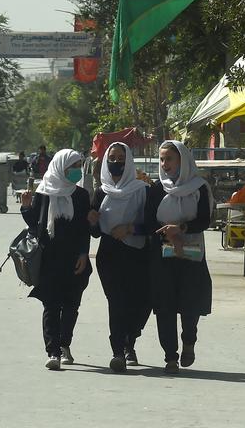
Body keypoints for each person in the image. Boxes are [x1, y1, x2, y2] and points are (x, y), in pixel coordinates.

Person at [145, 140, 214, 374]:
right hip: (163, 257)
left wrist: (181, 229)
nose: (165, 165)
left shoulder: (199, 187)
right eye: (162, 159)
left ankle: (189, 341)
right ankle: (170, 357)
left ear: (182, 160)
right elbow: (148, 220)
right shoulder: (157, 188)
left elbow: (206, 219)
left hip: (191, 256)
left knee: (190, 304)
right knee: (164, 306)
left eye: (169, 159)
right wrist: (166, 233)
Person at [20, 149, 92, 370]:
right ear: (61, 167)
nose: (76, 171)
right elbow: (34, 224)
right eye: (72, 167)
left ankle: (64, 344)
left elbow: (84, 228)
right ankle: (53, 352)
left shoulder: (81, 195)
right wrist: (25, 205)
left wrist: (83, 254)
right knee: (51, 306)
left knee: (71, 306)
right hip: (49, 259)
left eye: (78, 166)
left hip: (74, 259)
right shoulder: (44, 193)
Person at [87, 142, 151, 373]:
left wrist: (131, 229)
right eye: (111, 158)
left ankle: (130, 341)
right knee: (117, 303)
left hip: (137, 254)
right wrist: (92, 221)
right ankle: (118, 352)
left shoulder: (142, 190)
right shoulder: (101, 192)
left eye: (121, 159)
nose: (116, 163)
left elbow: (152, 224)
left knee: (141, 303)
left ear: (129, 161)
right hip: (110, 255)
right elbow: (94, 232)